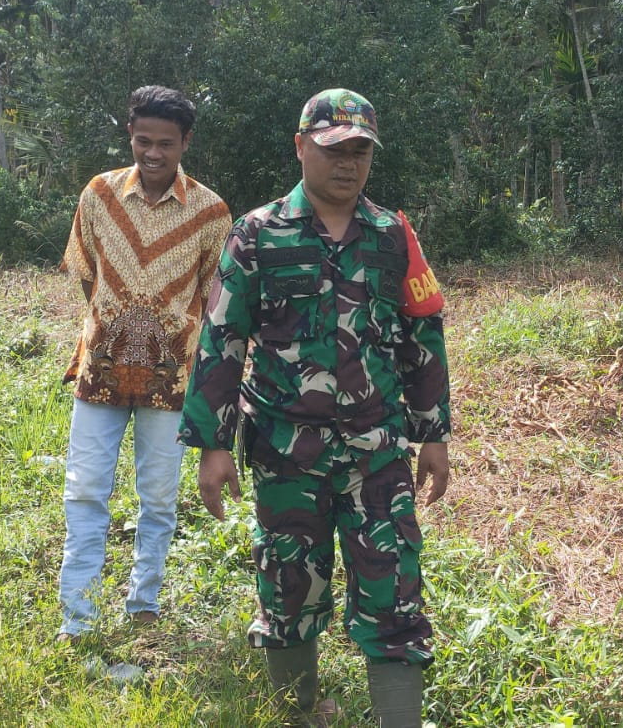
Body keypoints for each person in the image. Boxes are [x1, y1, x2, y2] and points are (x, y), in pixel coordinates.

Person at [180, 88, 451, 728]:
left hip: (377, 451)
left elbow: (423, 332)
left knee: (395, 591)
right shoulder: (257, 233)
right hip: (285, 451)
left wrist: (432, 432)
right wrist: (213, 446)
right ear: (302, 147)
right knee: (288, 587)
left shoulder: (392, 235)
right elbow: (223, 336)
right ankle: (298, 713)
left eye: (360, 151)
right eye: (333, 149)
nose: (348, 163)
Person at [55, 85, 233, 643]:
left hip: (171, 380)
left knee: (158, 496)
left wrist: (165, 337)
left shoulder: (211, 212)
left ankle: (144, 603)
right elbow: (85, 272)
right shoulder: (99, 195)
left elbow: (213, 299)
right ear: (130, 135)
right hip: (99, 372)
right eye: (142, 141)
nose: (152, 154)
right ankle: (77, 618)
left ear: (185, 143)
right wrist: (115, 324)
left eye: (165, 144)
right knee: (85, 489)